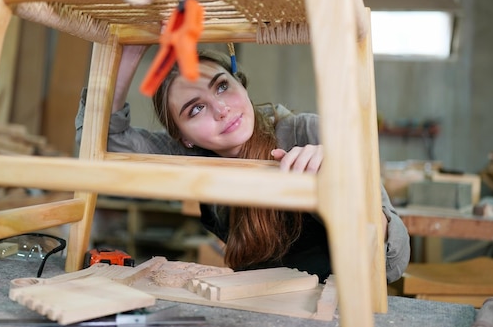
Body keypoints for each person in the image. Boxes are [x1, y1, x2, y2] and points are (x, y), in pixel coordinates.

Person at [75, 44, 410, 283]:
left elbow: (394, 263)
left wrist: (342, 188)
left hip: (333, 308)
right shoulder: (193, 158)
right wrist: (131, 49)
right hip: (251, 307)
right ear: (185, 137)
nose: (221, 109)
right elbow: (98, 143)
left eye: (222, 87)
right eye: (195, 109)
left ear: (241, 85)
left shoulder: (310, 131)